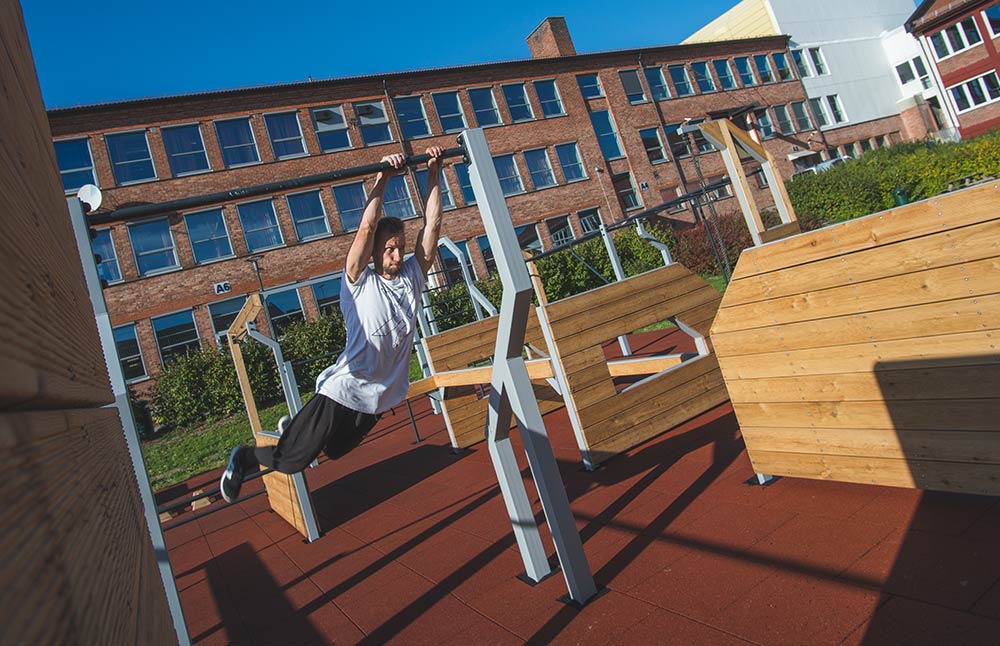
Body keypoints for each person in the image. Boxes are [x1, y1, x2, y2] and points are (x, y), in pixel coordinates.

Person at [220, 146, 446, 503]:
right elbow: (366, 228)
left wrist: (434, 171)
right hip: (345, 388)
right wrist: (383, 177)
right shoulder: (359, 281)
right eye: (389, 249)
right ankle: (245, 456)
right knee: (292, 461)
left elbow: (432, 225)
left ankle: (294, 430)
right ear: (374, 253)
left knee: (337, 450)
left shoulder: (413, 276)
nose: (397, 255)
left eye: (400, 247)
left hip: (377, 397)